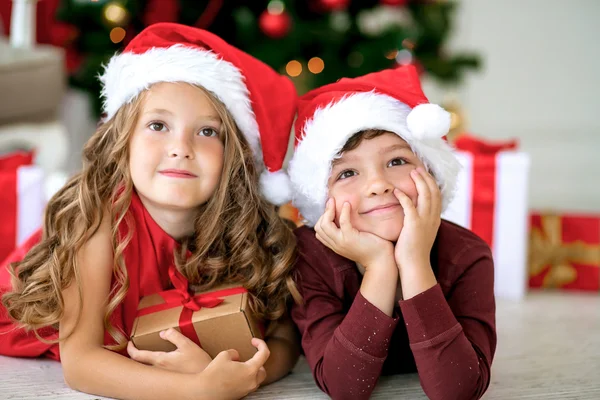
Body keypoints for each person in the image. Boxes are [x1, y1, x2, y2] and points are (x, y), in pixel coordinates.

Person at [1, 22, 300, 400]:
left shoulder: (245, 230)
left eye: (207, 132)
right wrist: (199, 389)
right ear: (122, 143)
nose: (181, 147)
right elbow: (81, 364)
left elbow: (284, 343)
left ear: (234, 156)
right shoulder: (96, 222)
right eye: (158, 125)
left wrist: (246, 376)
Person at [287, 65, 497, 400]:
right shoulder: (308, 256)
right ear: (319, 198)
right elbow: (344, 388)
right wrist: (380, 267)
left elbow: (458, 390)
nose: (378, 185)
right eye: (347, 173)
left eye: (396, 162)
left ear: (431, 174)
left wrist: (413, 262)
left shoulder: (467, 255)